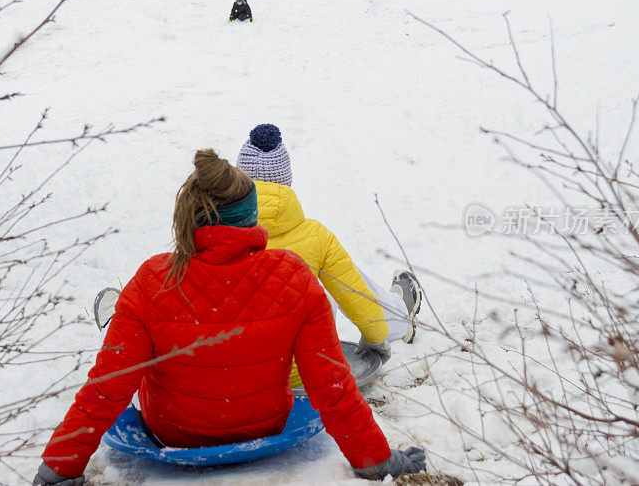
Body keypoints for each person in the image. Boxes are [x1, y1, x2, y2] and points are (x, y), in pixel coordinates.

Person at [32, 150, 427, 485]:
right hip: (266, 426)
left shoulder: (154, 279)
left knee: (129, 352)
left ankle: (115, 322)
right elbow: (330, 383)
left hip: (173, 431)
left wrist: (58, 468)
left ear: (187, 218)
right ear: (251, 217)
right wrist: (376, 460)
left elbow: (108, 387)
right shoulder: (293, 276)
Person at [236, 124, 422, 387]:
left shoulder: (206, 234)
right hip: (298, 375)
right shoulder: (315, 235)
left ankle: (395, 315)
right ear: (287, 180)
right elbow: (354, 296)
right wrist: (376, 339)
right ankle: (397, 317)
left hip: (227, 377)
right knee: (327, 276)